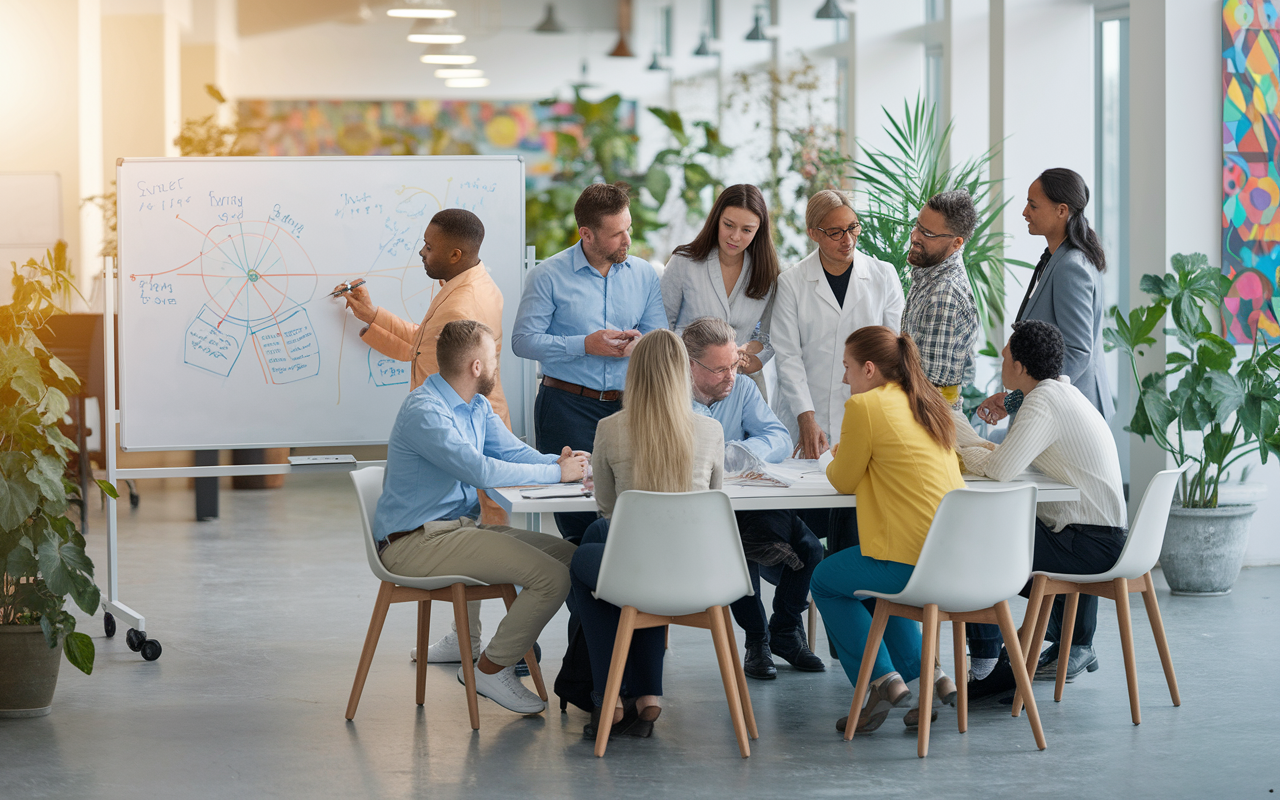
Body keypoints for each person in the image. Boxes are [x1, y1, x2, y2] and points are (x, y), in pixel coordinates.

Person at [374, 319, 588, 715]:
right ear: (476, 367)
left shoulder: (476, 406)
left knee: (574, 560)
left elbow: (512, 453)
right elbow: (483, 472)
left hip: (456, 532)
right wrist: (558, 475)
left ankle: (589, 669)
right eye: (493, 358)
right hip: (413, 542)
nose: (496, 366)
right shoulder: (426, 411)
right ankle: (491, 669)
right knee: (551, 578)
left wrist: (562, 462)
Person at [334, 207, 509, 665]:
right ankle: (471, 639)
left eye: (430, 248)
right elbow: (422, 343)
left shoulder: (459, 304)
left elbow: (424, 353)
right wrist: (373, 315)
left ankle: (501, 649)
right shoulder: (474, 282)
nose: (422, 252)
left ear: (455, 253)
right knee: (472, 533)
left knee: (470, 538)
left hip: (462, 432)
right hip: (473, 424)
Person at [567, 329, 725, 739]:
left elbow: (606, 509)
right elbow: (714, 502)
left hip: (636, 568)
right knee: (642, 559)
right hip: (699, 576)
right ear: (682, 373)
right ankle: (648, 694)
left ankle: (609, 697)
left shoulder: (610, 429)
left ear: (634, 373)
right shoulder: (710, 432)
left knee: (588, 558)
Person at [956, 320, 1127, 692]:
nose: (1001, 363)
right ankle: (1011, 655)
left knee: (976, 541)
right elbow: (1017, 459)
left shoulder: (1043, 402)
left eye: (1004, 357)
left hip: (1089, 544)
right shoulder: (1062, 393)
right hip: (1102, 538)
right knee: (997, 532)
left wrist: (962, 447)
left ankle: (992, 663)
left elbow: (1002, 470)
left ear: (1019, 366)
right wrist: (984, 447)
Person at [810, 327, 964, 735]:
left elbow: (843, 480)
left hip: (911, 559)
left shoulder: (866, 407)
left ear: (870, 369)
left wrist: (833, 456)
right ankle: (929, 679)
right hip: (954, 559)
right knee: (878, 586)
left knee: (825, 579)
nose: (845, 379)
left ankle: (880, 680)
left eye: (847, 368)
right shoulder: (927, 403)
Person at [512, 182, 667, 543]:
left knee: (631, 513)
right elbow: (523, 341)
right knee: (578, 522)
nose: (627, 239)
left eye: (628, 228)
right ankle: (590, 595)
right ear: (587, 234)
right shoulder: (547, 276)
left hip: (631, 408)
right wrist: (584, 344)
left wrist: (641, 344)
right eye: (617, 234)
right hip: (566, 407)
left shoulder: (644, 274)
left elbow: (658, 333)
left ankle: (627, 597)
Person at [680, 317, 825, 680]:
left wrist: (740, 451)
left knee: (810, 549)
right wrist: (720, 454)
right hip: (698, 513)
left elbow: (775, 435)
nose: (730, 376)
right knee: (740, 553)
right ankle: (756, 640)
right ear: (690, 365)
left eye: (734, 365)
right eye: (719, 369)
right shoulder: (671, 396)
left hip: (749, 500)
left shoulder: (742, 388)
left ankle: (785, 632)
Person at [976, 168, 1113, 427]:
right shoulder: (1059, 259)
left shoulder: (1071, 266)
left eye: (1033, 205)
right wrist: (1015, 399)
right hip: (1060, 410)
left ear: (1061, 210)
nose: (1025, 212)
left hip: (1070, 415)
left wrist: (1020, 399)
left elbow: (1077, 351)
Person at [661, 184, 780, 398]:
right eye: (728, 225)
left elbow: (769, 336)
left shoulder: (767, 275)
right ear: (716, 220)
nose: (735, 237)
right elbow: (661, 328)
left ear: (758, 231)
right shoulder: (684, 262)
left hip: (741, 387)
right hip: (685, 387)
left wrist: (754, 357)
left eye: (746, 230)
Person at [901, 190, 981, 407]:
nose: (915, 236)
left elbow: (927, 391)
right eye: (917, 225)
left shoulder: (944, 294)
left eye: (928, 234)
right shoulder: (929, 274)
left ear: (956, 243)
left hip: (927, 424)